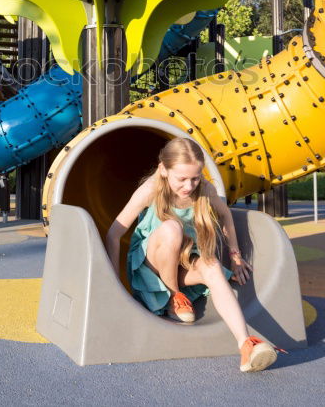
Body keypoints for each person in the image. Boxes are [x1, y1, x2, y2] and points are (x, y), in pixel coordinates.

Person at [105, 137, 279, 372]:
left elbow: (225, 215)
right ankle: (172, 298)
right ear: (163, 170)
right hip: (150, 269)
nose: (189, 186)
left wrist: (235, 256)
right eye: (182, 179)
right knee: (171, 228)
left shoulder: (204, 190)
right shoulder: (151, 189)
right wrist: (114, 284)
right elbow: (114, 233)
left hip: (184, 262)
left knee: (213, 266)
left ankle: (245, 344)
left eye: (195, 178)